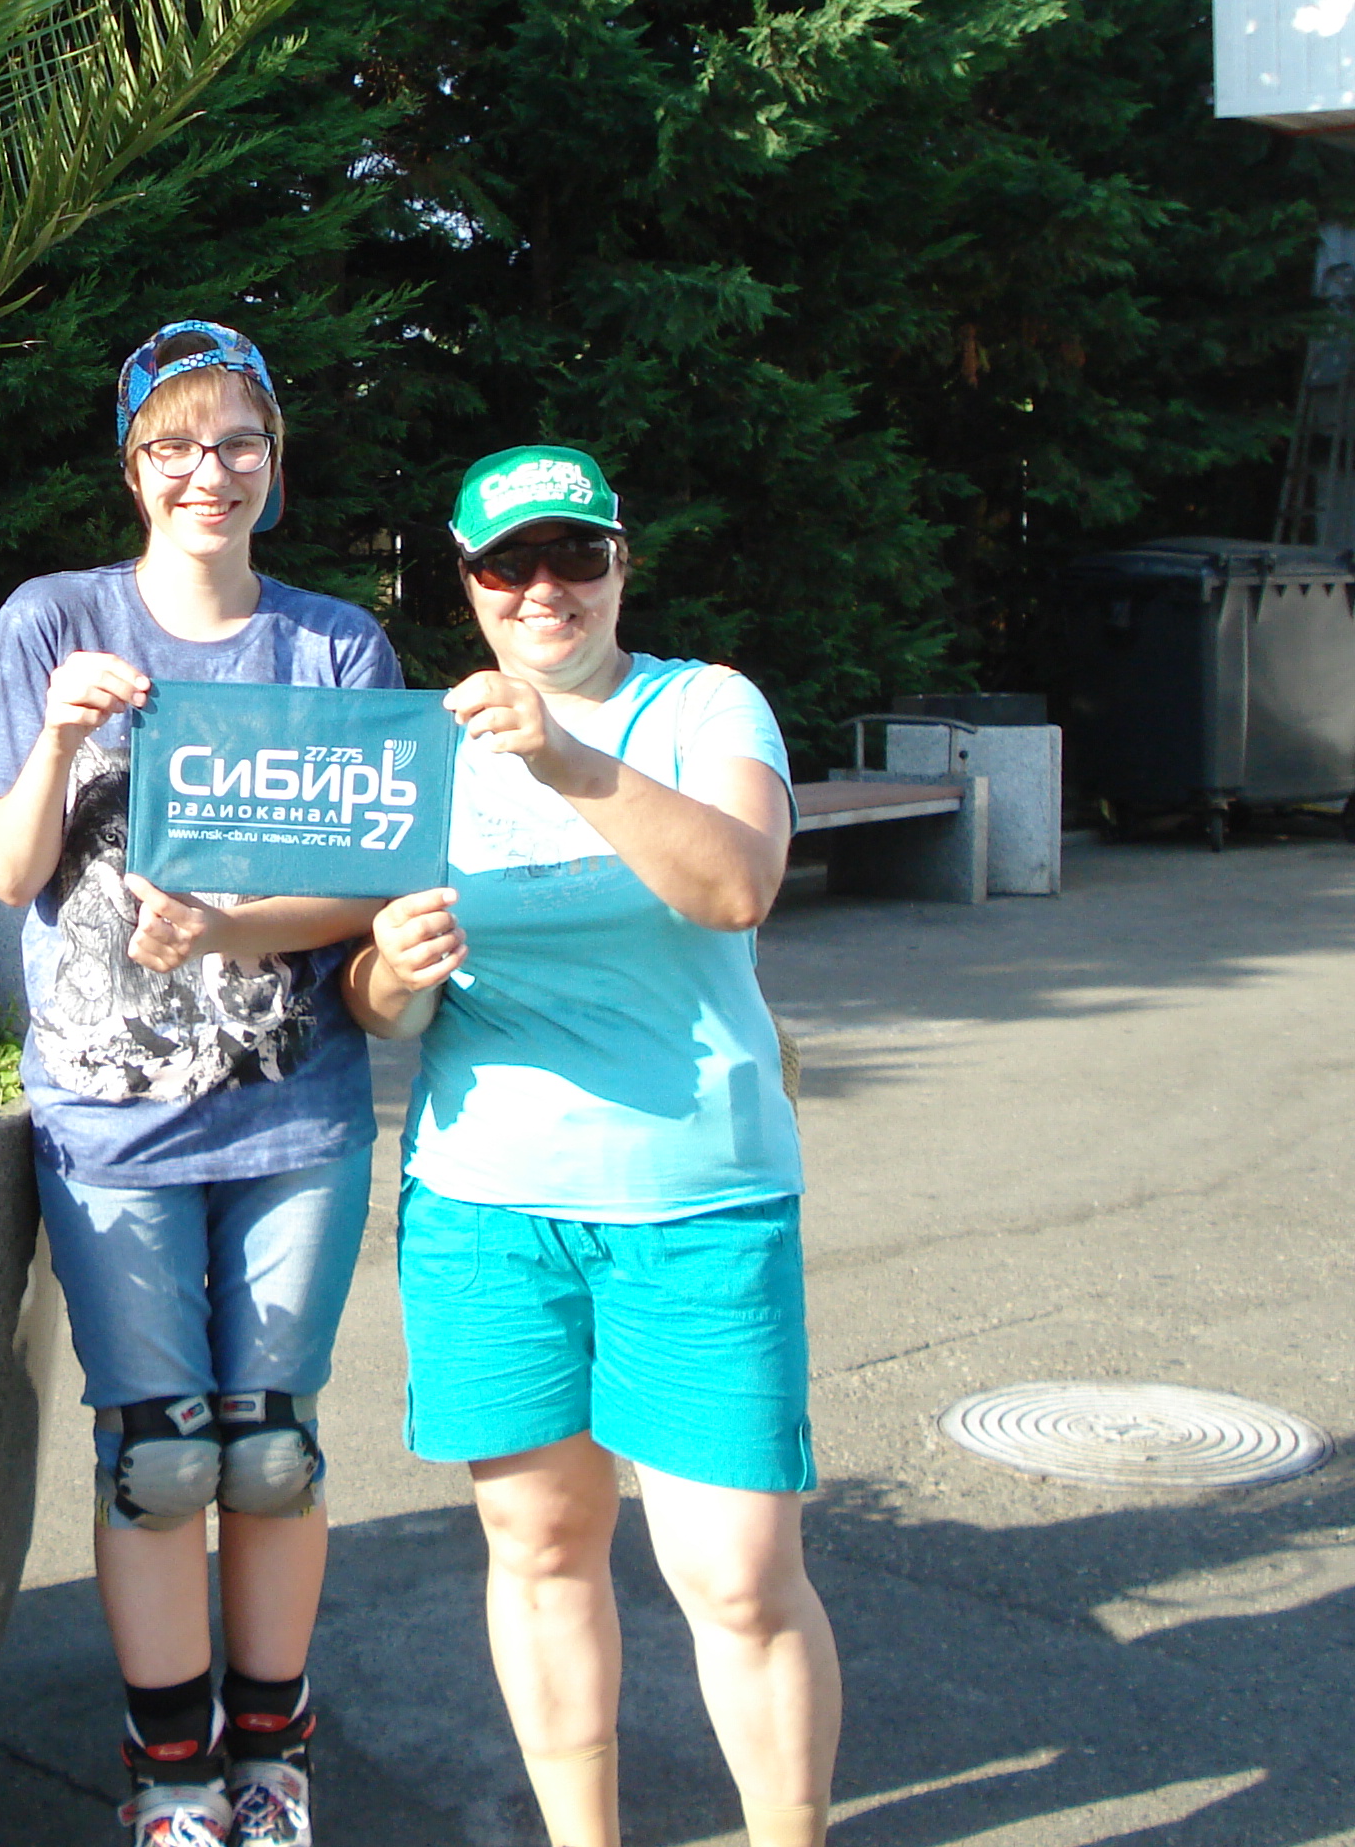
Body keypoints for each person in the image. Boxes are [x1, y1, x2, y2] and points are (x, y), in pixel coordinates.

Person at [341, 445, 841, 1847]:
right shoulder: (423, 749)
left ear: (623, 564)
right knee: (542, 1549)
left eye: (576, 555)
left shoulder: (703, 705)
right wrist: (395, 970)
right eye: (508, 564)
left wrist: (562, 756)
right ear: (466, 583)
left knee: (738, 1575)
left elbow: (737, 884)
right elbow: (377, 1003)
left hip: (699, 1206)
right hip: (485, 1208)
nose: (543, 588)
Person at [0, 321, 395, 1847]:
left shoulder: (331, 646)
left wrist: (227, 929)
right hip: (110, 1112)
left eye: (239, 444)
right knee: (156, 1459)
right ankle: (170, 1782)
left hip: (293, 1103)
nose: (210, 473)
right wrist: (57, 739)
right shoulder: (51, 621)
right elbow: (9, 871)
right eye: (176, 447)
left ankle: (273, 1761)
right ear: (133, 467)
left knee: (267, 1451)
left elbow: (375, 881)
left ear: (274, 462)